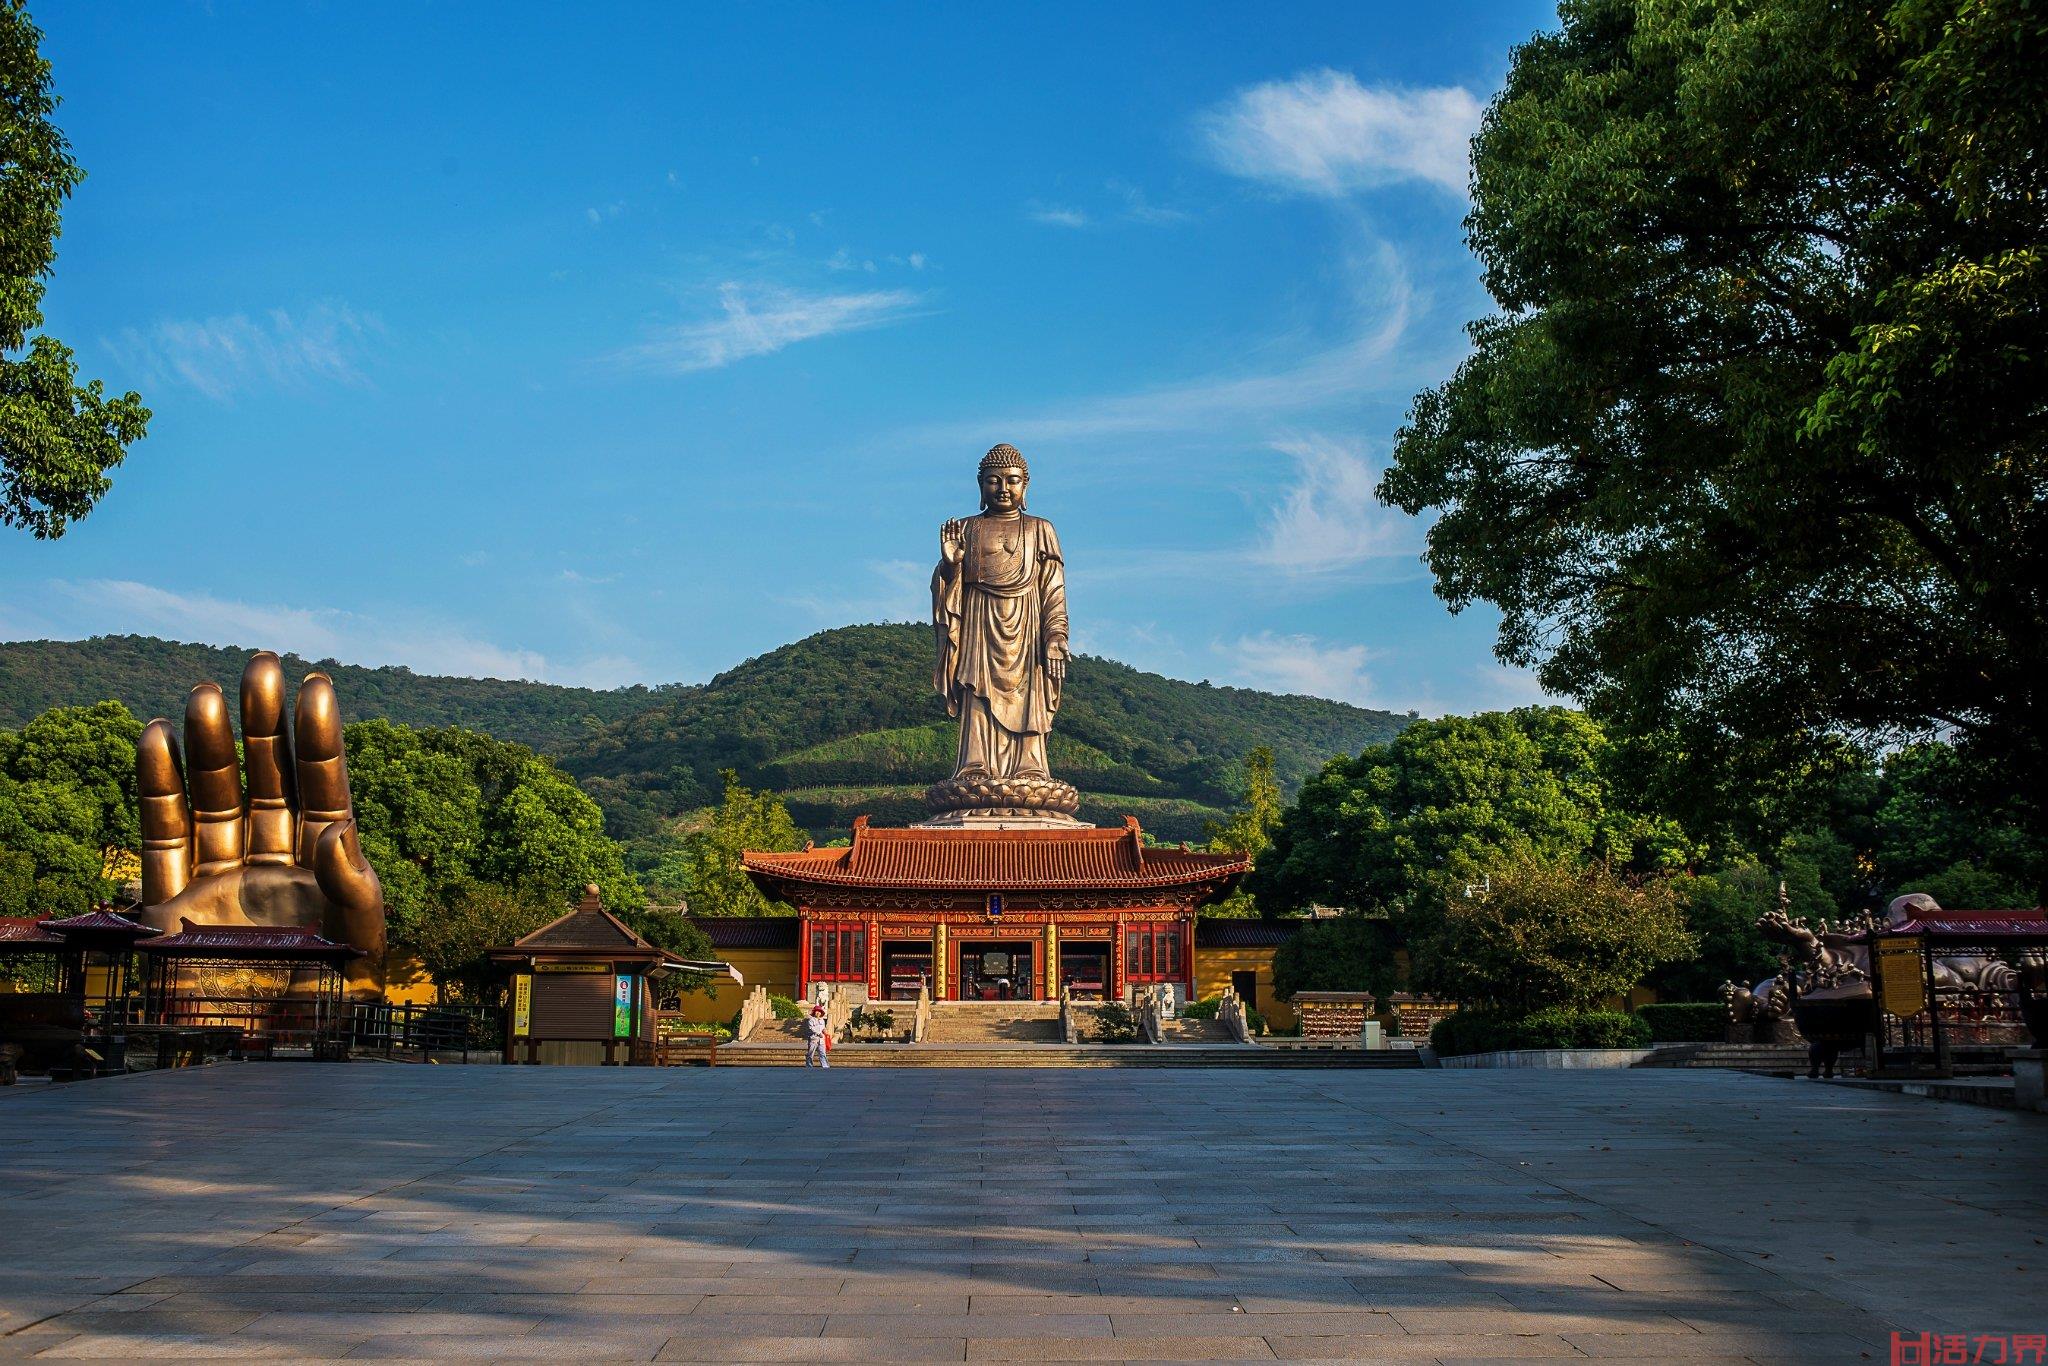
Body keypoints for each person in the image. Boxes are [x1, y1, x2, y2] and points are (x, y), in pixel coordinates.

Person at [804, 1003, 830, 1069]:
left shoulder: (822, 1020)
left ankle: (825, 1066)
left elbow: (823, 1028)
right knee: (810, 1053)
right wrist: (819, 1033)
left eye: (819, 1011)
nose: (818, 1013)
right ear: (814, 1012)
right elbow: (811, 1028)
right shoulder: (811, 1020)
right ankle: (809, 1065)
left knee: (822, 1053)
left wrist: (825, 1030)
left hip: (821, 1040)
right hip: (813, 1039)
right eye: (816, 1011)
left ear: (821, 1013)